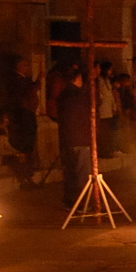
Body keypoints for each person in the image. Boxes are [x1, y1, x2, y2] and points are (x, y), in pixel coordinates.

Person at [56, 69, 93, 208]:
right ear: (78, 78)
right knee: (81, 173)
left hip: (69, 139)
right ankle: (81, 202)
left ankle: (70, 200)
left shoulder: (65, 95)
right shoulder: (76, 96)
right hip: (79, 139)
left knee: (71, 171)